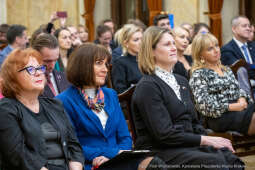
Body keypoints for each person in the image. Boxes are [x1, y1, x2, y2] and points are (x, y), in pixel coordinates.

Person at [132, 26, 244, 169]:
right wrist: (204, 140)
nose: (174, 48)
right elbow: (164, 135)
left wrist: (209, 139)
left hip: (186, 144)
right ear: (152, 51)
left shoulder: (181, 81)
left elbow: (195, 122)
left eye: (173, 43)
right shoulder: (148, 86)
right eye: (167, 44)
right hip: (160, 150)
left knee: (232, 160)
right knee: (215, 163)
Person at [56, 43, 166, 170]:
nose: (105, 69)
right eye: (99, 63)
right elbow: (71, 146)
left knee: (155, 164)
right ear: (82, 65)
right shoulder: (63, 101)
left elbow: (125, 137)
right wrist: (108, 154)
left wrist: (115, 155)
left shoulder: (110, 95)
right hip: (90, 162)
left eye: (106, 64)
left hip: (118, 159)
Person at [0, 48, 84, 170]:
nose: (39, 73)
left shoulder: (55, 105)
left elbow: (73, 144)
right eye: (30, 69)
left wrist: (75, 166)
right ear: (13, 77)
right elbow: (17, 154)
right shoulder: (6, 109)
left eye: (40, 68)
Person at [189, 33, 255, 136]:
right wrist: (232, 106)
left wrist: (242, 99)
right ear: (200, 54)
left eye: (216, 45)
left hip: (240, 108)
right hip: (219, 117)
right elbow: (204, 106)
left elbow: (239, 90)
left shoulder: (226, 69)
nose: (216, 50)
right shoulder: (199, 74)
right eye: (210, 49)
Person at [221, 16, 255, 98]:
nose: (248, 28)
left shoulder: (253, 45)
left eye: (249, 26)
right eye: (244, 26)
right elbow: (240, 69)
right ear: (234, 29)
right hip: (242, 91)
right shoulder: (227, 49)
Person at [32, 33, 70, 98]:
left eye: (55, 60)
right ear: (35, 56)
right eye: (47, 61)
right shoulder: (30, 83)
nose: (52, 66)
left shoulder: (64, 77)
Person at [111, 24, 143, 93]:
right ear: (126, 43)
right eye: (136, 40)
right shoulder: (120, 63)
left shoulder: (147, 60)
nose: (141, 42)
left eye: (142, 39)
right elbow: (120, 90)